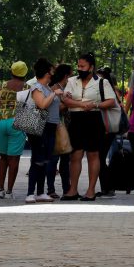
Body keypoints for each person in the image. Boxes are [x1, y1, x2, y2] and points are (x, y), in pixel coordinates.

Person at [61, 53, 107, 201]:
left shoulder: (101, 82)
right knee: (75, 155)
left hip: (94, 118)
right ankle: (72, 190)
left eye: (83, 66)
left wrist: (95, 104)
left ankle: (91, 190)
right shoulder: (71, 81)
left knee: (93, 154)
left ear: (91, 67)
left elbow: (112, 102)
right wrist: (81, 104)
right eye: (78, 66)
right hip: (76, 119)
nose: (79, 69)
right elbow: (65, 100)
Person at [23, 58, 64, 204]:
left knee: (45, 160)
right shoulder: (37, 87)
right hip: (40, 126)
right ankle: (30, 193)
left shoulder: (47, 88)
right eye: (52, 70)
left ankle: (40, 192)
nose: (53, 73)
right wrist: (54, 94)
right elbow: (42, 105)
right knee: (37, 160)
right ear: (47, 72)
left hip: (50, 126)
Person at [0, 61, 28, 199]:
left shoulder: (2, 86)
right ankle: (9, 191)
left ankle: (0, 189)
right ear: (24, 73)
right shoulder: (27, 88)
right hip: (17, 123)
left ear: (12, 72)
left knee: (3, 157)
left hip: (1, 122)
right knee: (14, 159)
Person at [47, 64, 73, 198]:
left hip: (65, 127)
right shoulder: (55, 89)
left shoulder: (64, 88)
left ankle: (66, 188)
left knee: (65, 159)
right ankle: (51, 189)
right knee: (54, 158)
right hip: (57, 126)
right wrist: (68, 104)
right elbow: (53, 109)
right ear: (66, 76)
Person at [94, 66, 119, 197]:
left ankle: (108, 187)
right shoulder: (110, 89)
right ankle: (107, 187)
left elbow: (109, 105)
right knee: (100, 158)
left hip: (106, 128)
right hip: (108, 128)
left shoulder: (105, 90)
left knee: (99, 158)